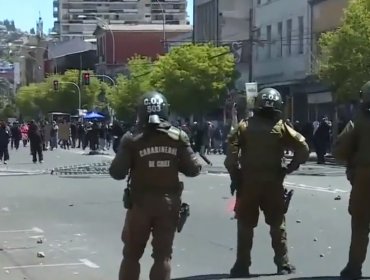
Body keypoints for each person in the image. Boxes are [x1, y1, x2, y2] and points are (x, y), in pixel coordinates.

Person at [109, 91, 202, 280]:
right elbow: (194, 169)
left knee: (131, 255)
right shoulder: (178, 137)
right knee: (163, 257)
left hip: (140, 204)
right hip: (168, 205)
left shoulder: (132, 138)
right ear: (165, 110)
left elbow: (116, 173)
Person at [224, 88, 309, 277]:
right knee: (277, 223)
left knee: (245, 225)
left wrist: (236, 177)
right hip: (273, 183)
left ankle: (242, 266)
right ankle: (283, 264)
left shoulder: (243, 127)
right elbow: (303, 147)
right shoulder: (281, 127)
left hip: (248, 184)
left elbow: (230, 159)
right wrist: (289, 168)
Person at [333, 81, 370, 280]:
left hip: (364, 176)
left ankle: (354, 268)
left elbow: (340, 150)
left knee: (361, 224)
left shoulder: (358, 120)